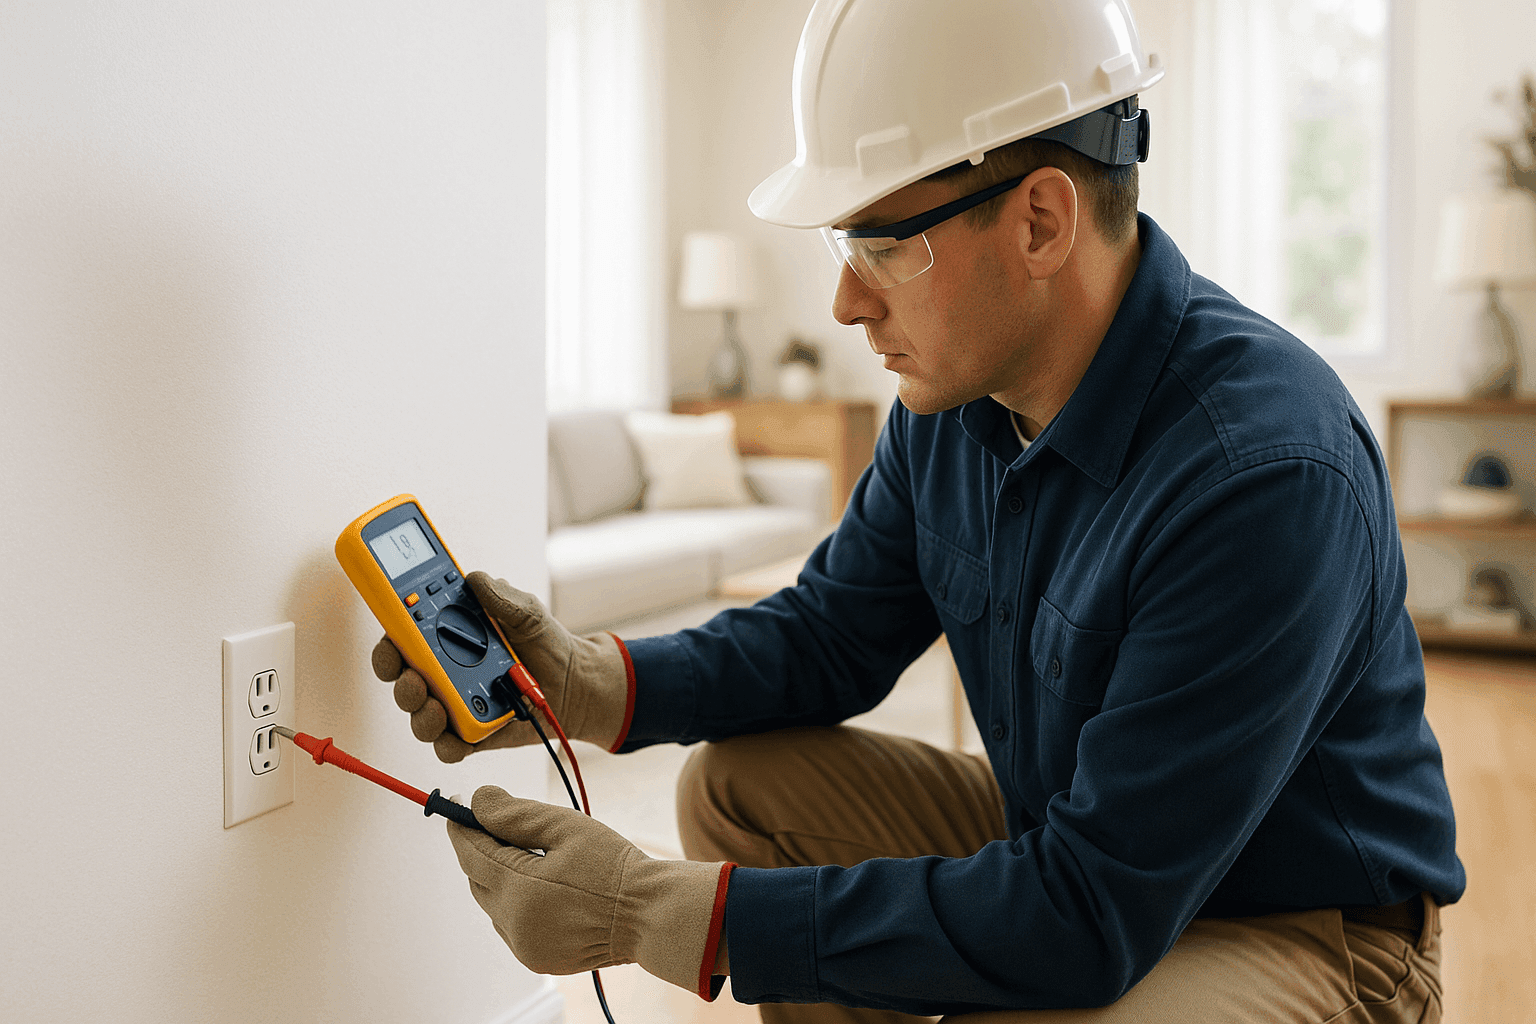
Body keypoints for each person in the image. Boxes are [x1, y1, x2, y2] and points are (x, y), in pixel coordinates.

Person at [373, 0, 1465, 1020]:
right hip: (1082, 843)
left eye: (884, 243)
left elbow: (1088, 913)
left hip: (1304, 928)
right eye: (842, 245)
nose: (846, 301)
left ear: (1042, 220)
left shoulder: (1262, 473)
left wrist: (655, 912)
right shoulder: (953, 403)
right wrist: (586, 682)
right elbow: (829, 638)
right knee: (743, 789)